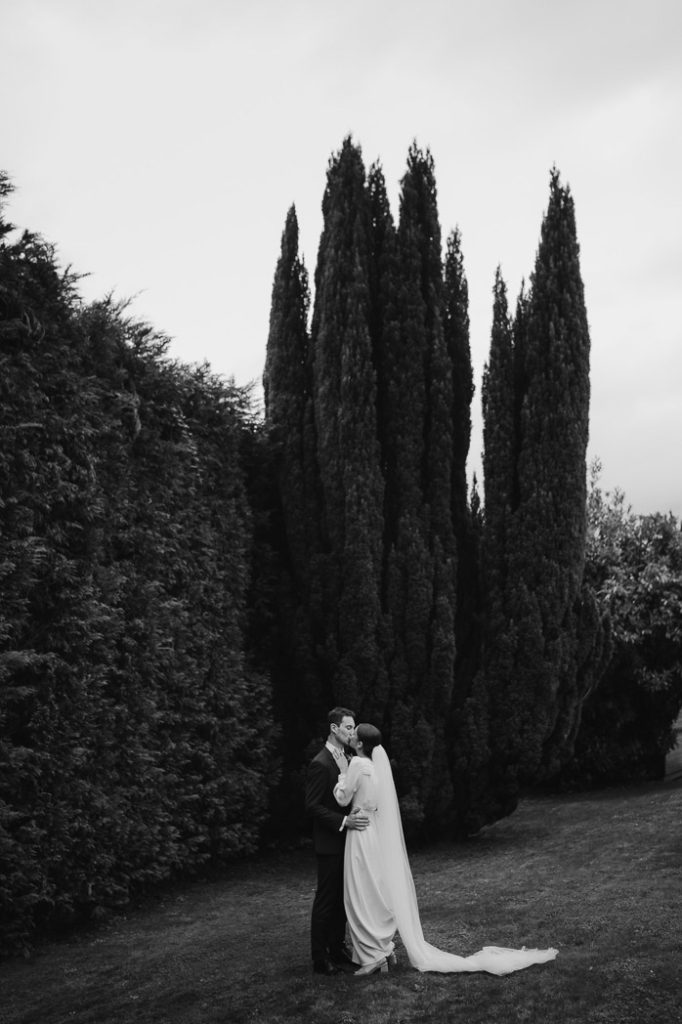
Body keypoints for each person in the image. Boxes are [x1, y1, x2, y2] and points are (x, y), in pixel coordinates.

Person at [334, 723, 559, 977]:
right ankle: (383, 951)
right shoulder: (375, 768)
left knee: (360, 894)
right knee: (373, 889)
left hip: (360, 831)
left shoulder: (355, 765)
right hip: (372, 828)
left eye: (354, 733)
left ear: (361, 744)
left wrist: (341, 775)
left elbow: (342, 798)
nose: (350, 735)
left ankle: (372, 958)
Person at [305, 707, 370, 975]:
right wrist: (344, 822)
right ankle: (319, 958)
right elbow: (312, 806)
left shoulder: (349, 757)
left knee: (344, 898)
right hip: (330, 843)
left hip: (348, 842)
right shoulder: (320, 763)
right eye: (348, 728)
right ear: (334, 729)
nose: (352, 733)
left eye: (353, 728)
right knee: (326, 900)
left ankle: (337, 946)